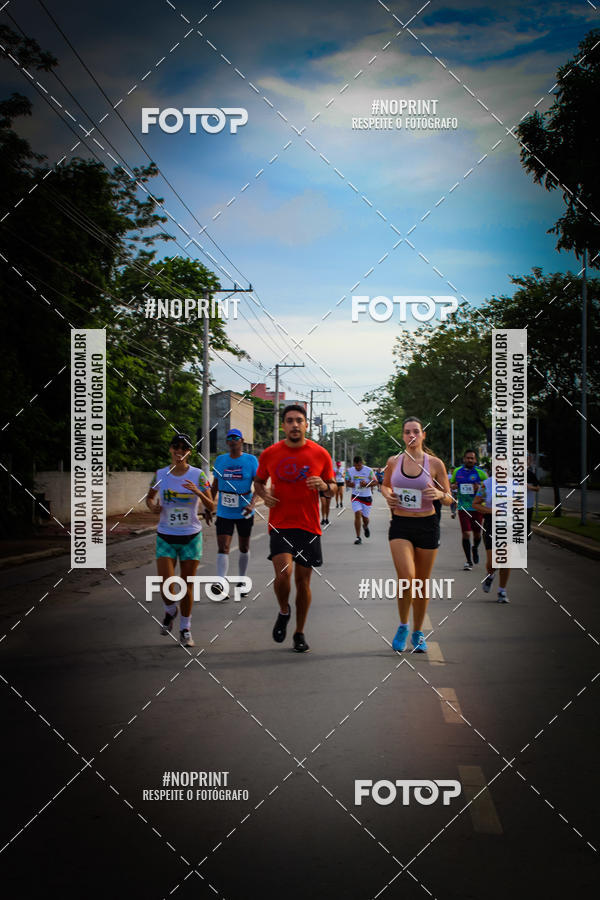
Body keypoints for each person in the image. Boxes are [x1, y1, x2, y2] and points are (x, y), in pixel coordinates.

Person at [254, 404, 335, 653]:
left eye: (299, 420)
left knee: (303, 582)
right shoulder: (270, 453)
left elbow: (332, 489)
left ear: (306, 425)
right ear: (283, 425)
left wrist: (323, 485)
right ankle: (283, 610)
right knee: (283, 574)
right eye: (289, 421)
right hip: (280, 524)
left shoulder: (320, 454)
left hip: (309, 526)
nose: (294, 425)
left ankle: (299, 632)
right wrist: (263, 495)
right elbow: (258, 481)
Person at [382, 417, 453, 653]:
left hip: (427, 525)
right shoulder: (394, 461)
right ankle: (403, 625)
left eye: (415, 431)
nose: (411, 435)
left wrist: (439, 494)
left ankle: (417, 631)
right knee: (406, 578)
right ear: (402, 436)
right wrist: (388, 494)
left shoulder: (435, 464)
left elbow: (450, 497)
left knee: (422, 584)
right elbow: (384, 485)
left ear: (423, 435)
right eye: (406, 432)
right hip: (401, 525)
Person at [146, 434, 215, 647]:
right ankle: (170, 610)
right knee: (166, 583)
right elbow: (149, 497)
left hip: (191, 536)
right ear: (170, 450)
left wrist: (198, 493)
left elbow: (212, 506)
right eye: (176, 447)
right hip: (165, 535)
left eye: (184, 448)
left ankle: (185, 628)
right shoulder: (160, 474)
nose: (179, 451)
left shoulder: (198, 475)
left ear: (189, 452)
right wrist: (152, 506)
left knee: (187, 585)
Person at [207, 428, 258, 595]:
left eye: (236, 437)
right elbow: (215, 485)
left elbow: (258, 485)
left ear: (242, 440)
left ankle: (242, 581)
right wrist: (208, 506)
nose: (232, 440)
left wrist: (252, 504)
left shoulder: (251, 460)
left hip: (244, 510)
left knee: (244, 547)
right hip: (224, 510)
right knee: (224, 546)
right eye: (229, 438)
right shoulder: (221, 460)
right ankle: (221, 582)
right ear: (227, 442)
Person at [473, 476, 511, 603]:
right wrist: (491, 510)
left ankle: (502, 591)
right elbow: (476, 504)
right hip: (491, 524)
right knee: (492, 562)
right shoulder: (486, 484)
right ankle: (490, 575)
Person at [450, 450, 487, 570]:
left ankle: (475, 548)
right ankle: (468, 561)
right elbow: (451, 484)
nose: (470, 460)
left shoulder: (481, 473)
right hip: (463, 507)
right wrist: (454, 486)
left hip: (477, 507)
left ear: (475, 460)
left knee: (477, 535)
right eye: (468, 458)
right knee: (466, 533)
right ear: (464, 459)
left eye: (472, 458)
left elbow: (488, 489)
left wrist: (480, 487)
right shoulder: (457, 471)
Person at [346, 456, 376, 544]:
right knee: (357, 513)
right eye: (356, 466)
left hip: (366, 496)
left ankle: (365, 526)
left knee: (365, 518)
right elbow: (347, 482)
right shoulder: (350, 471)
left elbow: (375, 482)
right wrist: (352, 484)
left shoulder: (369, 470)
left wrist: (366, 484)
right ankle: (358, 537)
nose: (357, 468)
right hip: (356, 496)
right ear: (354, 464)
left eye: (359, 466)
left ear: (361, 463)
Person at [526, 453, 540, 540]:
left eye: (527, 460)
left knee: (526, 530)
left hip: (528, 506)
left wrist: (528, 487)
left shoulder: (530, 474)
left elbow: (538, 488)